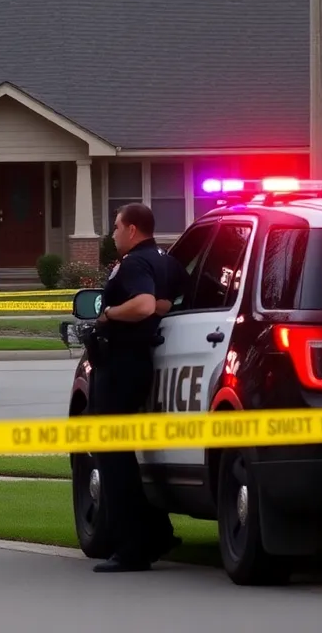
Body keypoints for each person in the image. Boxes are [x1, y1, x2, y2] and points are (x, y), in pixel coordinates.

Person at [89, 203, 185, 573]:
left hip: (121, 365)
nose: (112, 234)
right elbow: (164, 302)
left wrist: (108, 314)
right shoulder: (167, 261)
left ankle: (132, 548)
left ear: (131, 230)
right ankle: (157, 532)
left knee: (113, 457)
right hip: (134, 364)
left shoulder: (134, 263)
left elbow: (145, 305)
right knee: (121, 457)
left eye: (115, 227)